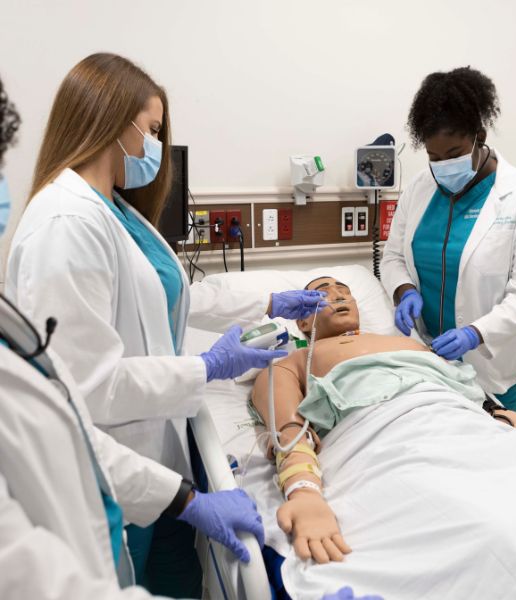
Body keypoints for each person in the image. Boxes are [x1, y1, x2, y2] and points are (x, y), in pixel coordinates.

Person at [4, 53, 326, 596]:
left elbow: (171, 295)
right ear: (112, 121)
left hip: (158, 460)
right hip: (118, 475)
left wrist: (268, 300)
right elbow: (86, 389)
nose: (156, 146)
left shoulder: (114, 210)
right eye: (151, 131)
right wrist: (206, 366)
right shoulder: (66, 223)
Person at [251, 276, 516, 564]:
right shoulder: (294, 360)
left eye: (346, 291)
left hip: (461, 424)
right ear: (303, 320)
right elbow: (290, 432)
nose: (339, 295)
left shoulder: (410, 344)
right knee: (491, 526)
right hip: (387, 432)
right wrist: (304, 491)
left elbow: (487, 412)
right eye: (323, 293)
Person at [380, 67, 516, 413]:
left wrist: (474, 333)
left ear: (480, 136)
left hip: (495, 369)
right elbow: (392, 258)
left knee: (496, 456)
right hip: (430, 359)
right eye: (433, 157)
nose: (443, 165)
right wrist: (405, 291)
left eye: (454, 154)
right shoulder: (419, 189)